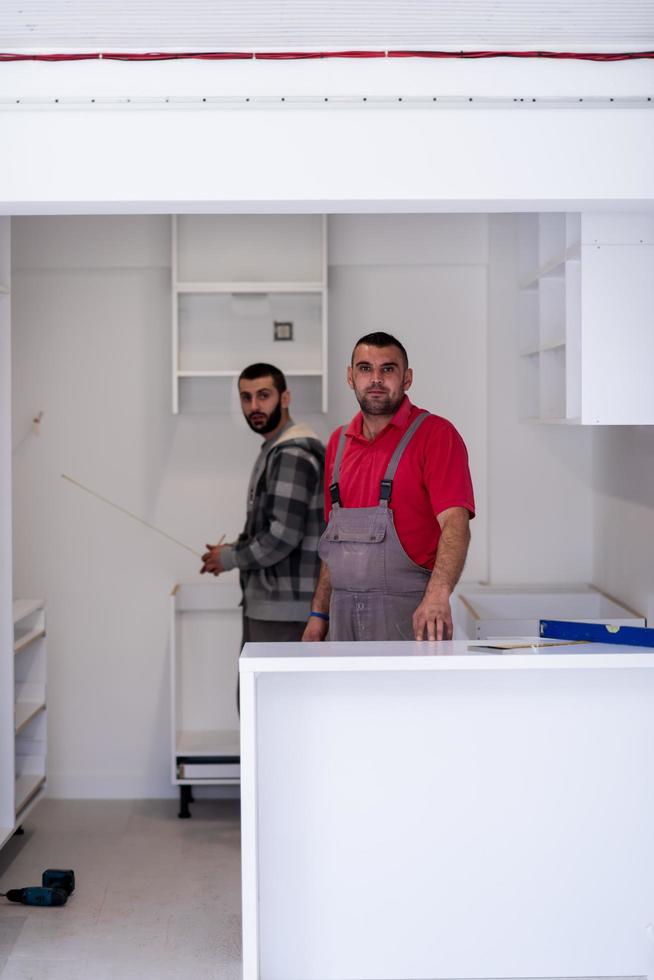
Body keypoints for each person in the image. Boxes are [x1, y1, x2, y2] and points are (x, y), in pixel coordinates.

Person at [302, 332, 474, 644]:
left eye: (388, 369)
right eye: (365, 369)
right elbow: (334, 542)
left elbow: (455, 523)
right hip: (341, 617)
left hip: (412, 613)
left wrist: (437, 595)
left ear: (406, 379)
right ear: (350, 377)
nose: (376, 379)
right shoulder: (338, 444)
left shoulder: (436, 436)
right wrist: (318, 614)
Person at [201, 363, 325, 647]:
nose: (254, 405)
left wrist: (230, 558)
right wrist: (229, 552)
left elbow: (282, 535)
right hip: (279, 607)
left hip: (285, 612)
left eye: (263, 395)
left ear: (285, 398)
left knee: (264, 692)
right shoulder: (277, 448)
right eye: (246, 397)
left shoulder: (291, 453)